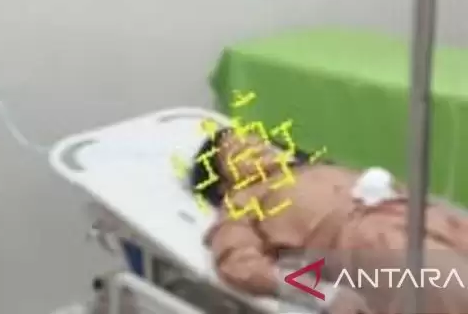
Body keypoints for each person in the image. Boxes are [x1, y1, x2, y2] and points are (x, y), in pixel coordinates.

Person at [190, 126, 468, 314]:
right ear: (223, 181)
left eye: (252, 137)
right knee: (450, 286)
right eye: (236, 148)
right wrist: (320, 292)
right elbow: (238, 263)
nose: (253, 144)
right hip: (368, 242)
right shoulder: (242, 202)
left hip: (416, 214)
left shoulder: (313, 168)